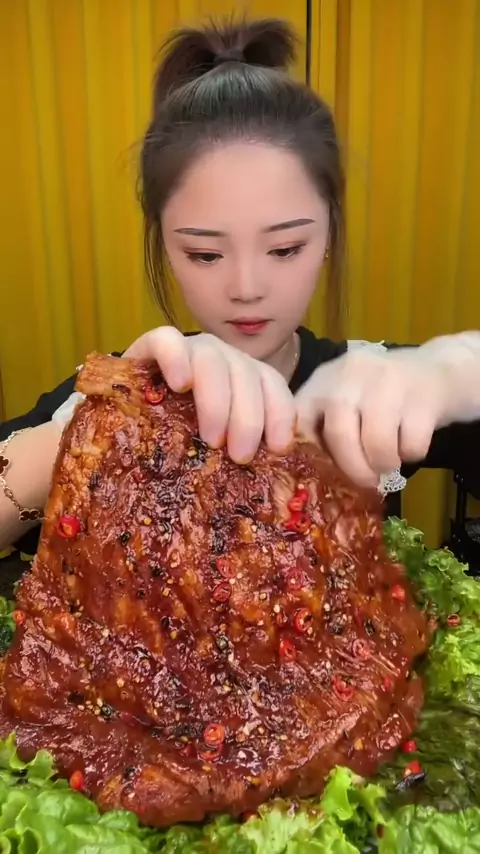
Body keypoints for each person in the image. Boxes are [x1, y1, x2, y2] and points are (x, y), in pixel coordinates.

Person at [1, 17, 480, 557]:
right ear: (165, 245)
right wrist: (93, 428)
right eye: (205, 254)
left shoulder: (368, 383)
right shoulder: (107, 400)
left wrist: (454, 372)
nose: (247, 288)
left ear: (328, 232)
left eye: (285, 248)